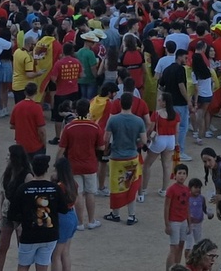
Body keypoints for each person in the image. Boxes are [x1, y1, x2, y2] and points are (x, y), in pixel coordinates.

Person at [9, 154, 71, 271]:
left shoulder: (23, 188)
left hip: (29, 233)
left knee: (23, 265)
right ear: (46, 169)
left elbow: (12, 213)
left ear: (32, 169)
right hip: (49, 233)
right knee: (42, 266)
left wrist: (20, 224)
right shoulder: (55, 188)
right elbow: (63, 209)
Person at [56, 98, 104, 230]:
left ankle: (80, 223)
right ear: (88, 110)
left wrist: (57, 165)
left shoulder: (69, 127)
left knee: (78, 193)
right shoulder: (95, 127)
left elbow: (61, 149)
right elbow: (101, 147)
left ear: (75, 111)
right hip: (90, 164)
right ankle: (91, 220)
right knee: (90, 193)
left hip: (73, 165)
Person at [104, 91, 147, 224]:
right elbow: (144, 141)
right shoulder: (138, 121)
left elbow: (106, 138)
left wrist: (106, 150)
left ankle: (115, 213)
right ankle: (131, 215)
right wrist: (136, 142)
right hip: (131, 157)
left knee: (115, 185)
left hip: (116, 158)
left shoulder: (113, 119)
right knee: (131, 186)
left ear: (120, 103)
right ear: (132, 104)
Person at [0, 145, 32, 271]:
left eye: (9, 155)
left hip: (20, 216)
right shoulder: (8, 171)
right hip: (7, 213)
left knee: (22, 248)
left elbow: (29, 200)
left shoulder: (27, 175)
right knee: (3, 246)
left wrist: (24, 222)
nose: (6, 157)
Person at [142, 91, 178, 203]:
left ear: (164, 103)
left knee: (147, 164)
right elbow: (177, 131)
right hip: (170, 140)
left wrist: (146, 138)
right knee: (166, 166)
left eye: (160, 100)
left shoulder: (157, 114)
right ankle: (164, 190)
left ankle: (143, 189)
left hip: (159, 139)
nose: (158, 101)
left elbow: (151, 128)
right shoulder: (175, 114)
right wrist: (176, 143)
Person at [51, 157, 80, 271]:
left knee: (55, 255)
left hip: (62, 218)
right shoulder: (74, 183)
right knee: (65, 252)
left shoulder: (59, 187)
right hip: (72, 216)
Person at [165, 163, 192, 271]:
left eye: (184, 173)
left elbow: (187, 207)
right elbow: (166, 207)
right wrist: (167, 224)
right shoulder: (171, 189)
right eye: (179, 173)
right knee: (174, 247)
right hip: (174, 221)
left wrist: (189, 223)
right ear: (175, 175)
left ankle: (177, 268)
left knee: (181, 245)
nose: (182, 176)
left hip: (183, 221)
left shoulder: (187, 189)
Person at [11, 81, 47, 157]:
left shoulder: (17, 106)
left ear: (25, 92)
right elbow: (41, 130)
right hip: (35, 146)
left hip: (20, 145)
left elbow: (12, 125)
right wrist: (44, 143)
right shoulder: (37, 108)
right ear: (36, 92)